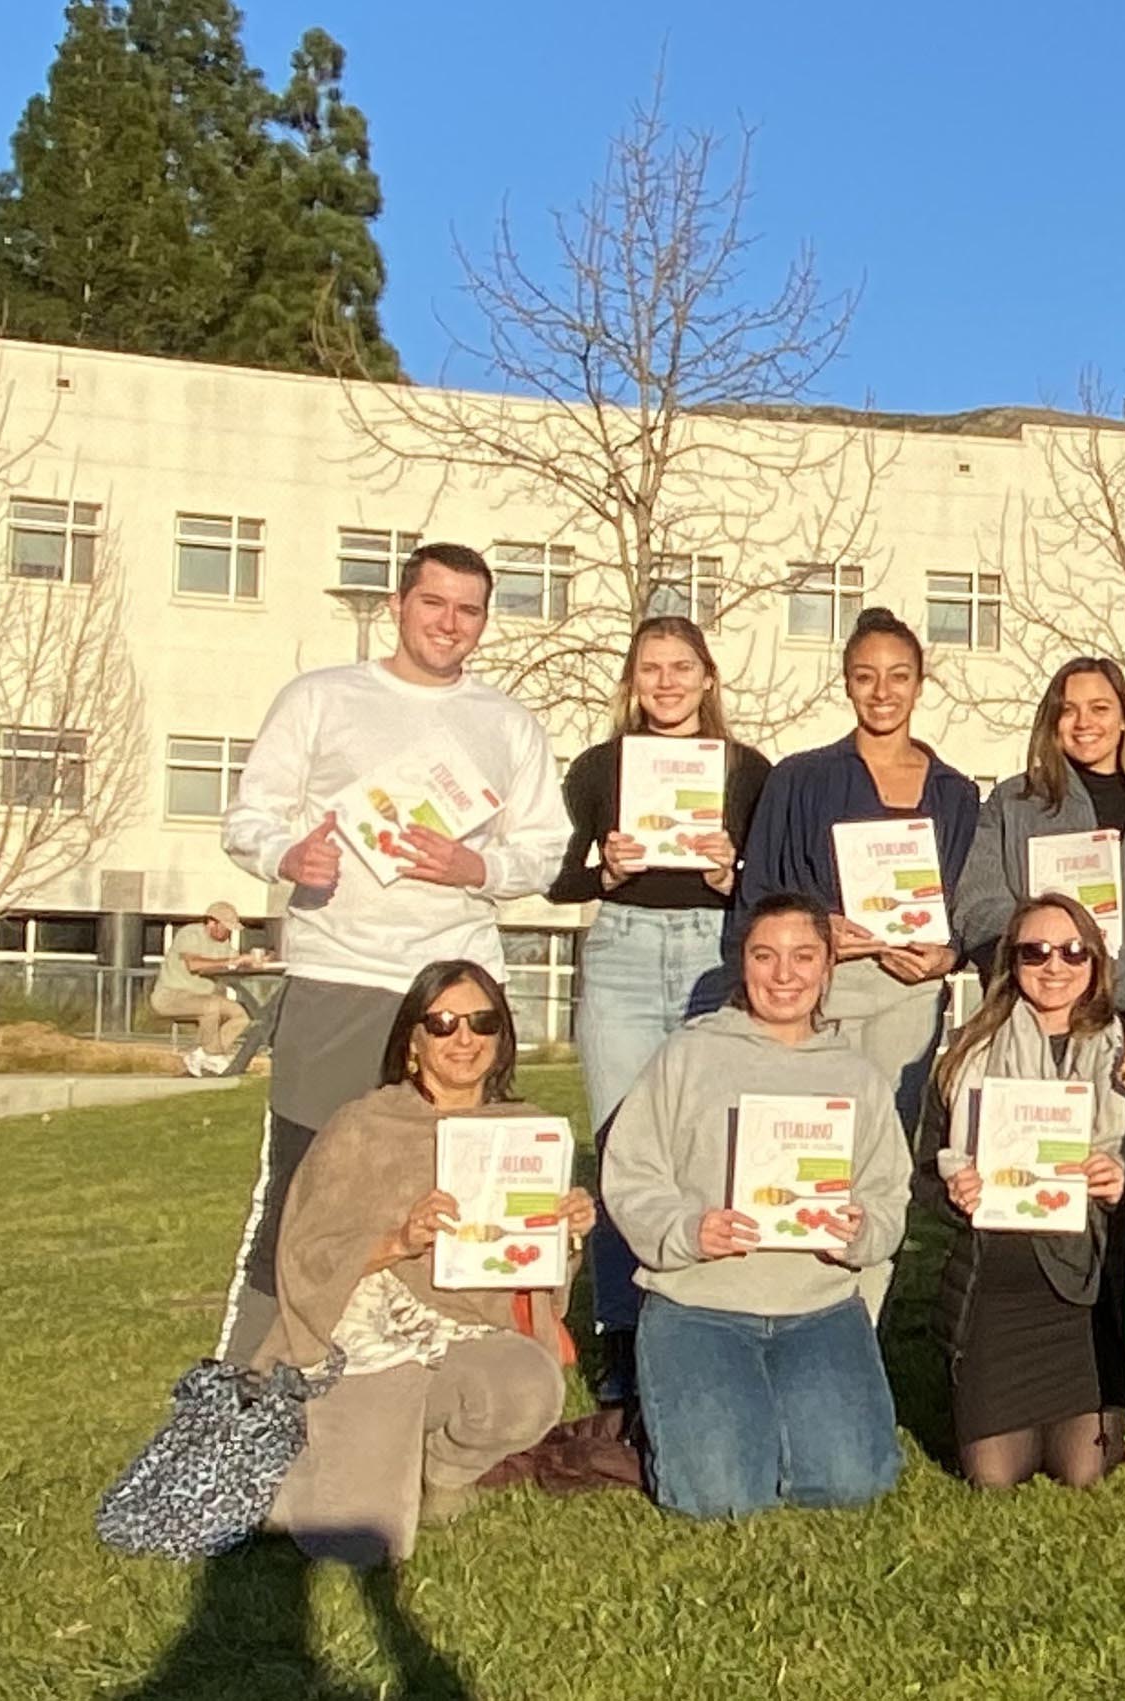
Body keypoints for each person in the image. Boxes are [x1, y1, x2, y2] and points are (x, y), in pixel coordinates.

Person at [215, 543, 569, 1365]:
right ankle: (251, 1372)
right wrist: (287, 855)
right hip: (341, 975)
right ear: (399, 605)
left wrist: (476, 866)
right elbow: (247, 817)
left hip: (453, 990)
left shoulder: (507, 724)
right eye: (434, 603)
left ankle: (444, 1371)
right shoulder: (321, 697)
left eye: (469, 609)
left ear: (484, 621)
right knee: (303, 1181)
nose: (450, 623)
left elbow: (546, 851)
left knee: (454, 1189)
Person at [252, 958, 592, 1566]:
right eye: (441, 1024)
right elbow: (304, 1253)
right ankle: (314, 1458)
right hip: (368, 1336)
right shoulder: (363, 1127)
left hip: (470, 1337)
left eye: (482, 1022)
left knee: (530, 1386)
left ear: (501, 1037)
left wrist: (564, 1236)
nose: (464, 1039)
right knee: (357, 1540)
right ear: (411, 1042)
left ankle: (441, 1471)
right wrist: (396, 1242)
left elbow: (536, 1290)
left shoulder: (529, 1132)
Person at [597, 895, 912, 1521]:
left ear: (828, 968)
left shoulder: (857, 1075)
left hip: (818, 1307)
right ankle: (671, 1415)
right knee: (722, 1498)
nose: (784, 975)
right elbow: (631, 1174)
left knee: (853, 1485)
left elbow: (889, 1193)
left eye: (803, 957)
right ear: (741, 964)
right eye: (765, 956)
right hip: (700, 1305)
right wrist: (688, 1229)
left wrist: (860, 1231)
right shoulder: (688, 1055)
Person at [548, 615, 771, 1401]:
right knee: (621, 1146)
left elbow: (772, 884)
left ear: (709, 677)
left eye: (683, 666)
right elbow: (556, 876)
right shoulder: (596, 769)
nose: (668, 682)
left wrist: (729, 874)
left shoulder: (747, 771)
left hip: (714, 952)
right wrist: (602, 870)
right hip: (624, 953)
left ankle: (704, 1316)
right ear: (632, 681)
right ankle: (622, 1332)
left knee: (706, 1142)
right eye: (651, 668)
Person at [734, 607, 977, 1310]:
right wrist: (818, 930)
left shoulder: (956, 792)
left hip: (908, 995)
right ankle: (784, 1304)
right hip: (819, 992)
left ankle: (862, 1313)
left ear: (920, 683)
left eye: (898, 675)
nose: (882, 691)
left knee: (881, 1158)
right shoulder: (800, 779)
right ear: (846, 683)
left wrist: (946, 955)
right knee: (803, 1149)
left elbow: (967, 898)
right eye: (866, 676)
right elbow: (758, 894)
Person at [928, 896, 1125, 1490]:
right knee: (995, 1476)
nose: (1056, 965)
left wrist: (1124, 1176)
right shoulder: (968, 1051)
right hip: (999, 1286)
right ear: (1012, 962)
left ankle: (1095, 1401)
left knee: (1084, 1471)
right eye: (1036, 951)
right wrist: (955, 1188)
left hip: (1085, 1290)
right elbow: (925, 1175)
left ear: (1096, 961)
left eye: (1074, 950)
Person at [952, 657, 1125, 1026]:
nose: (1084, 723)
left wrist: (1108, 978)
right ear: (1052, 722)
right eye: (1068, 710)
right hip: (1025, 1016)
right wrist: (1044, 962)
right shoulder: (1014, 801)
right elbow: (978, 906)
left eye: (1100, 708)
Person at [148, 903, 261, 1076]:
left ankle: (203, 1054)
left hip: (202, 998)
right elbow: (194, 965)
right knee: (211, 1007)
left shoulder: (223, 943)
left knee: (241, 1015)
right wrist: (229, 962)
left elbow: (234, 960)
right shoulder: (190, 934)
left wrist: (255, 960)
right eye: (226, 928)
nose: (229, 933)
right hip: (170, 996)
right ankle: (213, 1055)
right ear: (212, 923)